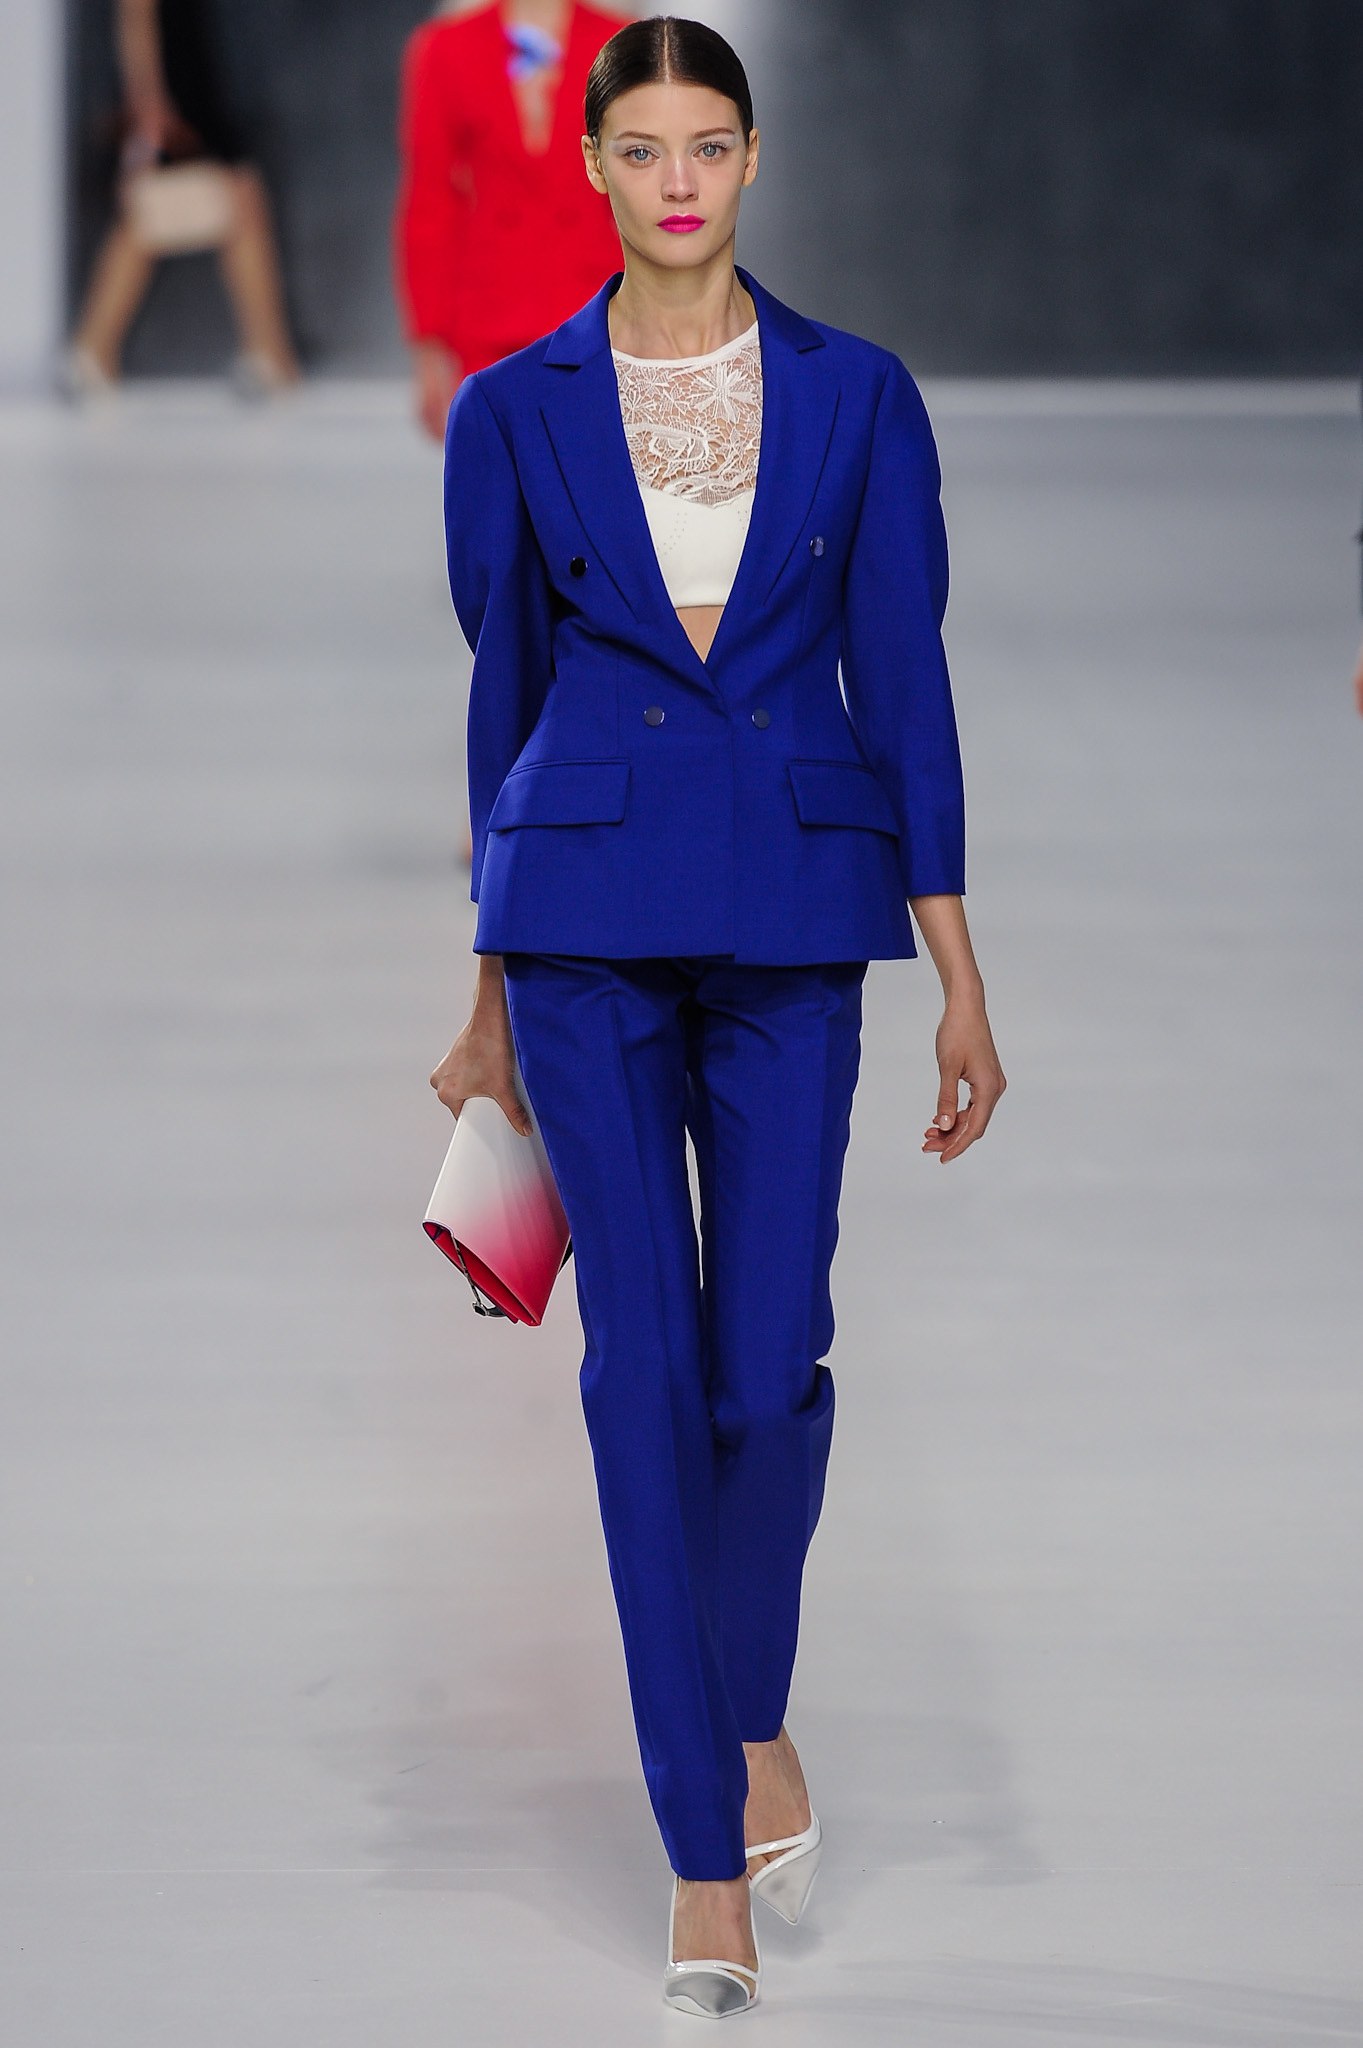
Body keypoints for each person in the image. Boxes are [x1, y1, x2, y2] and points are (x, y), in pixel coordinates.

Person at [430, 16, 1007, 2019]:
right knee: (638, 1373)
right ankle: (703, 1850)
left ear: (752, 160)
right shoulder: (509, 410)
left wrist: (956, 960)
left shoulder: (858, 395)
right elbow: (503, 702)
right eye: (641, 148)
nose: (675, 180)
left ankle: (748, 1709)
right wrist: (485, 988)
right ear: (593, 166)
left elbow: (903, 675)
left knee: (767, 1368)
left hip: (792, 915)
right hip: (583, 919)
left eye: (707, 145)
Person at [395, 0, 631, 440]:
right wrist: (428, 347)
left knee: (594, 473)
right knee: (498, 477)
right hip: (487, 323)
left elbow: (646, 197)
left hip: (602, 319)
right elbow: (431, 202)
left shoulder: (623, 45)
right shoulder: (446, 50)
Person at [65, 0, 299, 396]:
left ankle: (269, 352)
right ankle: (269, 354)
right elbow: (135, 15)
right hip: (173, 90)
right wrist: (149, 105)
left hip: (187, 79)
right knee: (209, 204)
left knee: (222, 205)